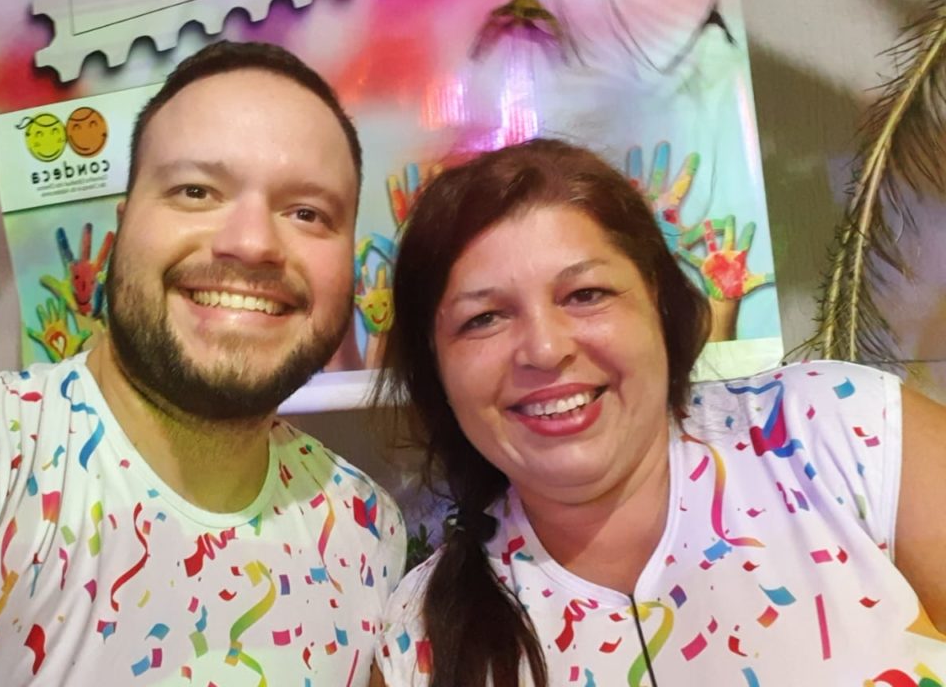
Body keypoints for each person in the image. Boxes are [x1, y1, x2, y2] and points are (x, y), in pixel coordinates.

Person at [372, 138, 946, 686]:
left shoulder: (839, 431)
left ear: (656, 300)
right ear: (437, 369)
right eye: (484, 318)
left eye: (586, 294)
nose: (545, 349)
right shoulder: (421, 639)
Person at [0, 41, 405, 685]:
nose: (251, 243)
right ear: (121, 230)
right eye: (196, 191)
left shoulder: (366, 528)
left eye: (306, 213)